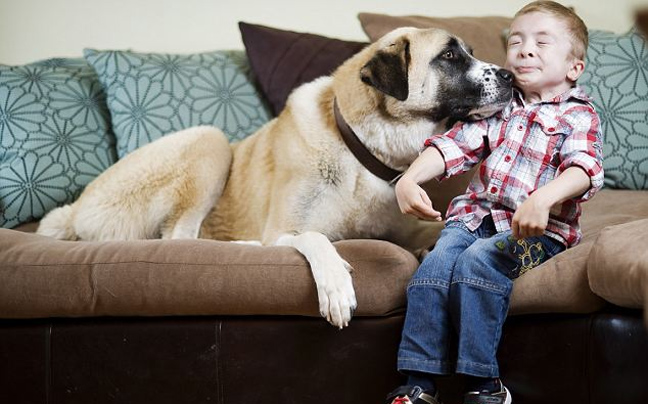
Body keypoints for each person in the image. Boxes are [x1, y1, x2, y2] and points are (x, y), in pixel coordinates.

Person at [385, 2, 604, 404]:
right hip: (472, 219)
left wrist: (543, 198)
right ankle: (419, 384)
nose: (524, 50)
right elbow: (455, 145)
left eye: (542, 42)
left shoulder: (579, 115)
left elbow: (586, 169)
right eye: (516, 41)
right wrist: (411, 177)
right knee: (431, 271)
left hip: (537, 231)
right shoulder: (497, 107)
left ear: (574, 67)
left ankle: (484, 384)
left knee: (477, 263)